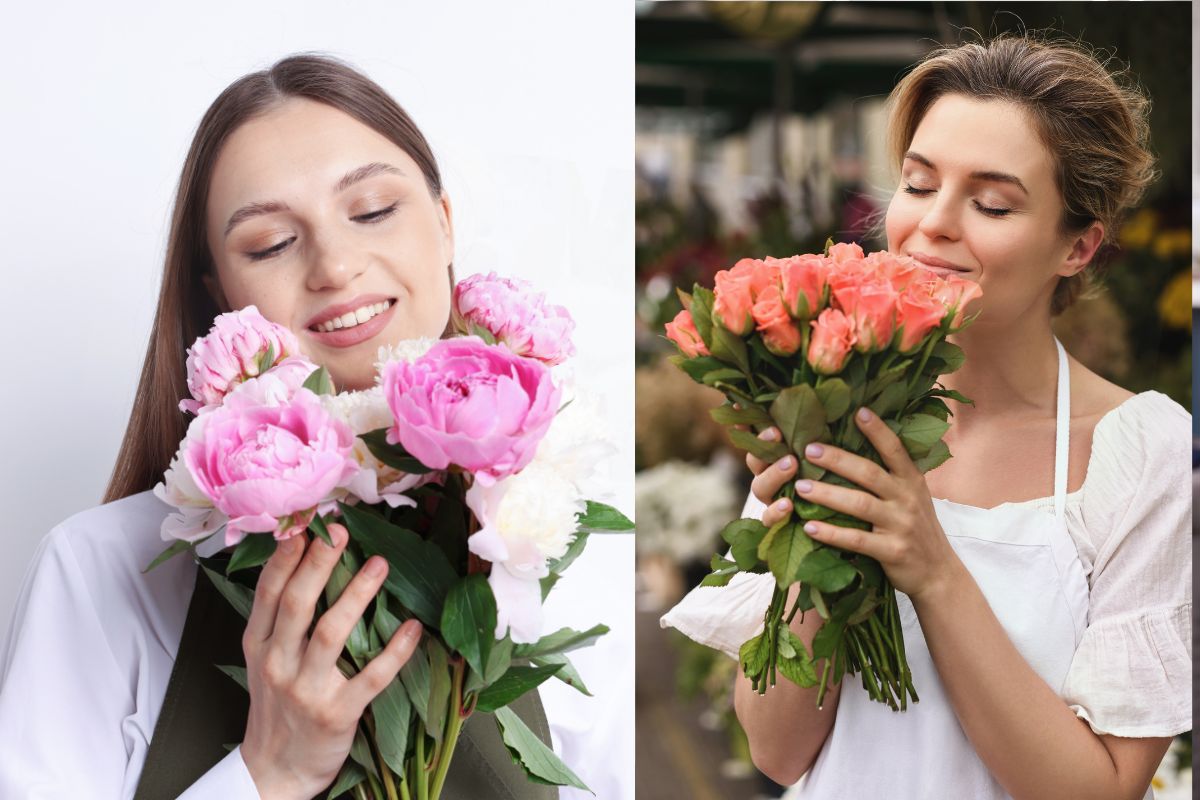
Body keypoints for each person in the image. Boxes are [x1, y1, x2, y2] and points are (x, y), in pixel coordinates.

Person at [0, 54, 616, 800]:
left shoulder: (558, 537)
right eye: (269, 244)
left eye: (373, 210)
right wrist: (270, 771)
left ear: (445, 225)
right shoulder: (96, 574)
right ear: (220, 295)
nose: (335, 265)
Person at [662, 34, 1190, 799]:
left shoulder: (1139, 450)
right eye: (917, 183)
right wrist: (808, 536)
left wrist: (935, 572)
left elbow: (1101, 790)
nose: (933, 223)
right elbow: (777, 752)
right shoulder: (829, 397)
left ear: (1078, 247)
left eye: (991, 203)